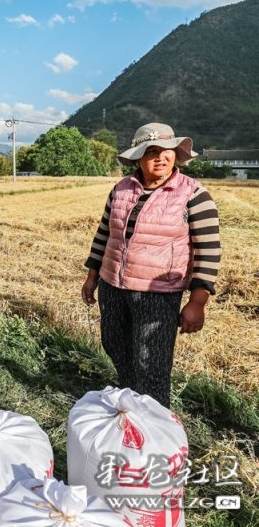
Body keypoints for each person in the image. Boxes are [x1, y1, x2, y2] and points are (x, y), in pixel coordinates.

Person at [81, 123, 221, 408]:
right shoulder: (121, 190)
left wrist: (198, 301)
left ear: (176, 154)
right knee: (114, 345)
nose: (160, 157)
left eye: (166, 150)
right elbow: (104, 234)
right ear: (138, 158)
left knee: (151, 364)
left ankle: (154, 421)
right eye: (151, 152)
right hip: (113, 286)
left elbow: (208, 251)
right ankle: (131, 403)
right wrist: (92, 275)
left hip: (158, 293)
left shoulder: (193, 194)